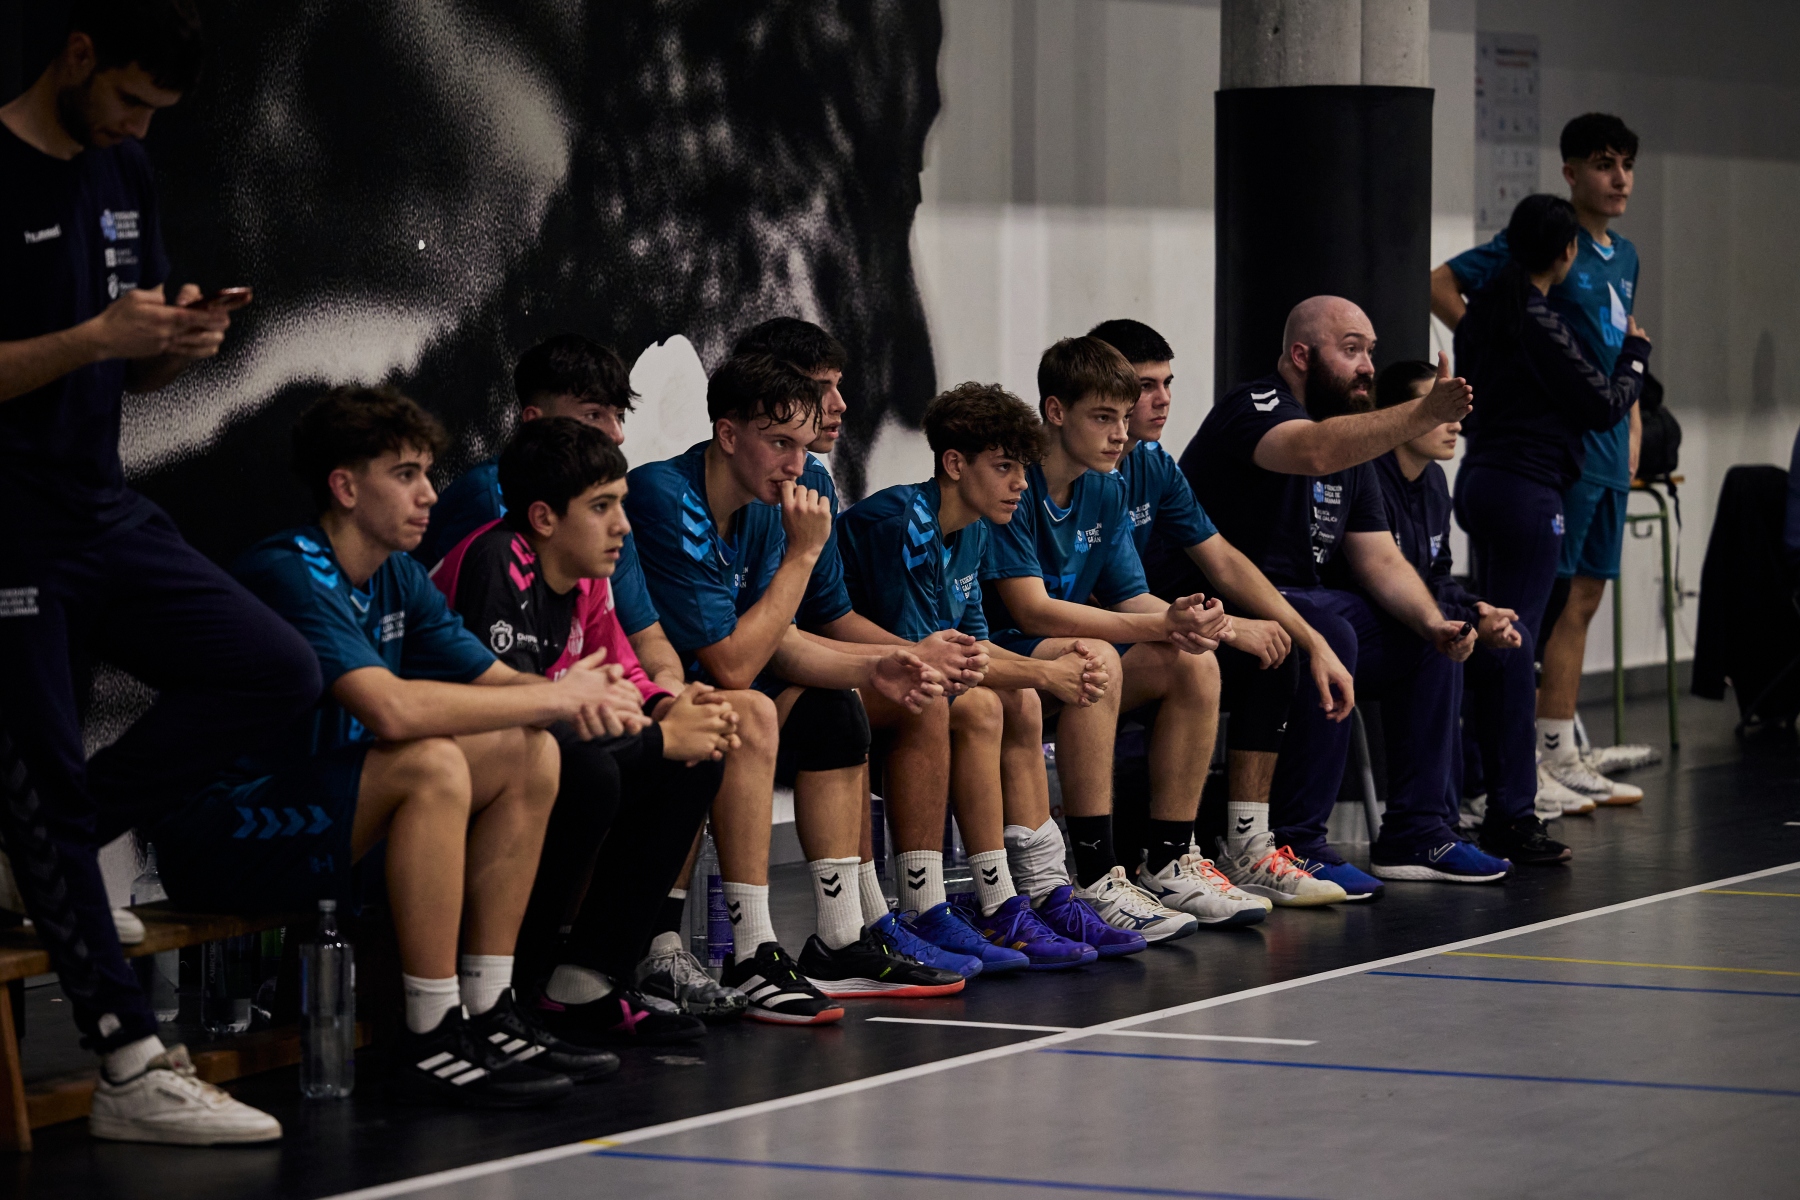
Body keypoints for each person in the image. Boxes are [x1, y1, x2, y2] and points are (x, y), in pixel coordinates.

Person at [0, 0, 320, 1145]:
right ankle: (131, 1067)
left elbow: (132, 367)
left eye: (155, 111)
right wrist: (97, 339)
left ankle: (48, 851)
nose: (137, 125)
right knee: (44, 771)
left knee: (276, 670)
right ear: (77, 54)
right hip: (9, 524)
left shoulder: (124, 168)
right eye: (129, 99)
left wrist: (178, 345)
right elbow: (76, 345)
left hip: (100, 503)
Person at [153, 386, 630, 1108]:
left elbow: (499, 684)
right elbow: (391, 709)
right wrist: (559, 696)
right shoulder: (291, 570)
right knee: (430, 762)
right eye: (406, 475)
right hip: (224, 831)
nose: (429, 495)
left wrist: (590, 698)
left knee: (527, 749)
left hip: (323, 812)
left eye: (428, 474)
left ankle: (487, 1009)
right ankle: (430, 1030)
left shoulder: (397, 574)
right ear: (346, 488)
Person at [419, 333, 790, 1021]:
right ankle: (517, 988)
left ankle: (591, 979)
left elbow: (629, 662)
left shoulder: (587, 569)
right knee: (588, 771)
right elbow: (508, 704)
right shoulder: (498, 551)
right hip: (470, 749)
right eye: (603, 507)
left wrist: (670, 706)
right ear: (544, 515)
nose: (622, 525)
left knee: (698, 752)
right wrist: (650, 731)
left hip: (550, 731)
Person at [625, 352, 966, 1003]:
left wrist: (877, 665)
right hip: (663, 701)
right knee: (739, 711)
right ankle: (740, 951)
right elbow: (732, 662)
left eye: (804, 446)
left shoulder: (770, 499)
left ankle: (842, 940)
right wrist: (803, 554)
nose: (797, 463)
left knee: (836, 710)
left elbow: (778, 639)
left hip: (730, 694)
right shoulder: (665, 495)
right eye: (780, 442)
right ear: (728, 434)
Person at [1180, 296, 1513, 887]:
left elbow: (1378, 557)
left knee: (1432, 635)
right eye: (1351, 349)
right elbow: (1312, 449)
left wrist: (1433, 622)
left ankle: (1419, 833)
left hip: (1303, 603)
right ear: (1301, 356)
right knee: (1328, 629)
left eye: (1371, 352)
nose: (1367, 367)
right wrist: (1420, 413)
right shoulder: (1254, 406)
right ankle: (1297, 842)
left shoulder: (1355, 446)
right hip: (1219, 610)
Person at [727, 319, 1005, 974]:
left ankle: (925, 909)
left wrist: (912, 657)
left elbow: (833, 615)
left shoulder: (816, 482)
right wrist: (901, 659)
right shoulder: (710, 488)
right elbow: (751, 647)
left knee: (926, 694)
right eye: (821, 388)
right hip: (750, 685)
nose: (839, 404)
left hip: (792, 673)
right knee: (852, 704)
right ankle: (861, 925)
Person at [838, 381, 1137, 965]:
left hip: (903, 680)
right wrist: (1047, 674)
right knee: (981, 702)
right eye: (1004, 467)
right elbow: (930, 658)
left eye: (1023, 468)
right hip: (844, 688)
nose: (1020, 483)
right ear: (955, 465)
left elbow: (973, 645)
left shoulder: (972, 528)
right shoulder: (905, 522)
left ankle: (1037, 892)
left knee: (1017, 697)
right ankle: (964, 903)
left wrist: (1037, 675)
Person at [981, 337, 1265, 938]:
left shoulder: (1105, 486)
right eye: (1103, 418)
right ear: (1056, 412)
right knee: (1098, 658)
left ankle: (1169, 860)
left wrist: (1194, 622)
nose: (1119, 434)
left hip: (1059, 662)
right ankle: (1094, 874)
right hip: (1002, 657)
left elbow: (1130, 595)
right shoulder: (1014, 482)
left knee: (1191, 660)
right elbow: (1032, 612)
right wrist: (1160, 624)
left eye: (1123, 417)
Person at [1088, 318, 1359, 901]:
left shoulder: (1151, 461)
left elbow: (1225, 561)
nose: (1161, 399)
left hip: (1132, 632)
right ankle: (1144, 862)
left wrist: (1310, 640)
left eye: (1167, 383)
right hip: (1079, 646)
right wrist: (1223, 627)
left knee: (1274, 651)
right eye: (1144, 386)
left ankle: (1245, 846)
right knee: (1194, 658)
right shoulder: (1076, 473)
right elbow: (1093, 600)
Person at [1432, 113, 1649, 805]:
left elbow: (1616, 353)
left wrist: (1634, 422)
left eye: (1627, 165)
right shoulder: (1538, 243)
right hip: (1552, 452)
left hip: (1605, 440)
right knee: (1536, 608)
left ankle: (1559, 748)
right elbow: (1441, 282)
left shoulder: (1626, 255)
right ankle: (1517, 767)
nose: (1619, 179)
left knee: (1584, 597)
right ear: (1571, 173)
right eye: (1605, 164)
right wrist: (1503, 348)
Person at [1372, 360, 1573, 865]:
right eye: (1440, 410)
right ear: (1401, 414)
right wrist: (1461, 618)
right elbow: (1374, 581)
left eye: (1457, 412)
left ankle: (1511, 817)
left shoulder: (1435, 482)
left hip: (1427, 616)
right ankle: (1434, 826)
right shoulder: (1368, 478)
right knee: (1447, 642)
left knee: (1512, 642)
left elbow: (1437, 575)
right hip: (1381, 624)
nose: (1456, 424)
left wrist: (1478, 608)